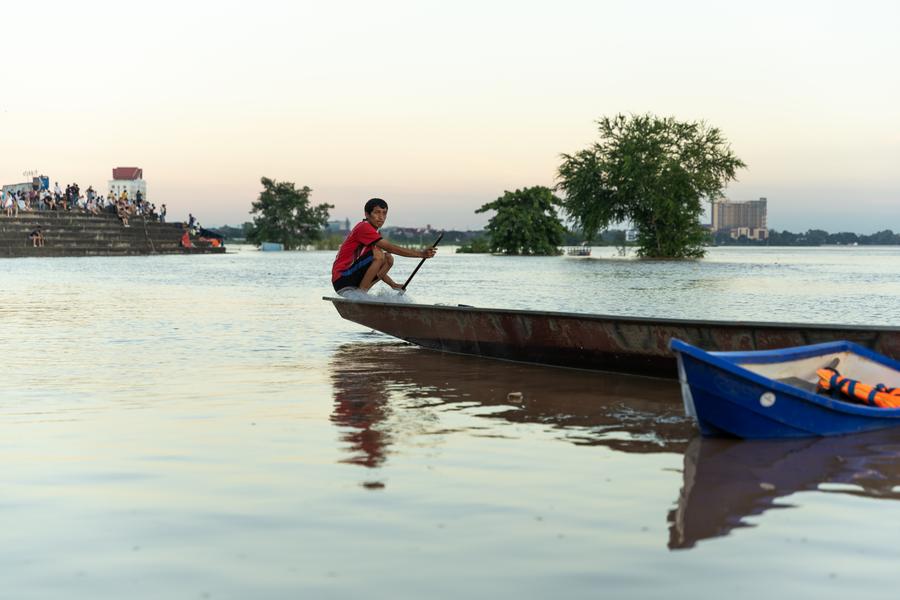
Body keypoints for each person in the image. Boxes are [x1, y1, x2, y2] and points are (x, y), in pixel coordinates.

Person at [331, 198, 436, 294]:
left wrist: (393, 284)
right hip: (342, 279)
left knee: (388, 258)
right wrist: (421, 254)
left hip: (351, 280)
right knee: (379, 255)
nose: (381, 217)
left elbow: (376, 266)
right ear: (367, 214)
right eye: (377, 212)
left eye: (384, 213)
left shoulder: (374, 233)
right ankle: (361, 294)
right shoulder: (364, 227)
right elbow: (390, 248)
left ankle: (362, 292)